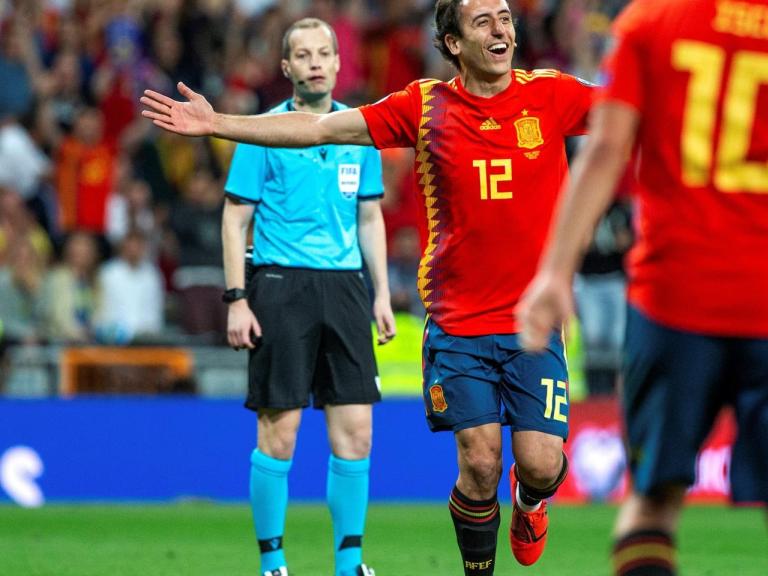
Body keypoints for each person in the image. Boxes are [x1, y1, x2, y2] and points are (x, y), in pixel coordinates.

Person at [141, 2, 593, 574]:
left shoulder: (552, 94)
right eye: (483, 21)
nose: (501, 29)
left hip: (533, 321)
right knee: (479, 463)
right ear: (453, 43)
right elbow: (319, 128)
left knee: (541, 463)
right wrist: (219, 124)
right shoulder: (424, 107)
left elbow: (631, 108)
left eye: (504, 16)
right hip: (459, 324)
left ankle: (531, 501)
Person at [516, 1, 768, 575]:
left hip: (673, 302)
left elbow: (605, 150)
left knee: (651, 506)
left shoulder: (651, 24)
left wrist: (556, 273)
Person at [219, 18, 395, 576]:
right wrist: (237, 298)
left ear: (339, 63)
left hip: (345, 288)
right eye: (303, 54)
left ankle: (350, 564)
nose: (315, 62)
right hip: (280, 284)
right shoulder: (263, 132)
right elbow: (235, 217)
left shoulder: (359, 131)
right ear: (286, 67)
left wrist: (381, 293)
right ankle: (273, 562)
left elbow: (369, 216)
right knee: (280, 431)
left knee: (357, 433)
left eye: (324, 53)